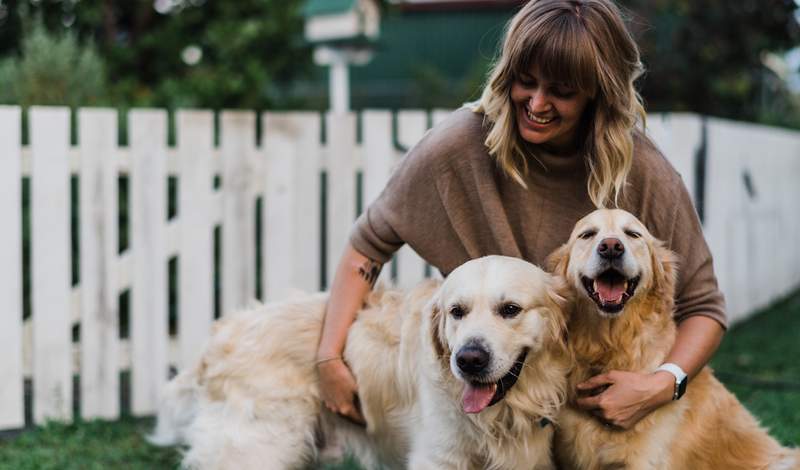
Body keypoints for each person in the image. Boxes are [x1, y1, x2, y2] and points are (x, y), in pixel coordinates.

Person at [315, 0, 727, 430]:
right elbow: (367, 247)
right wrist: (329, 357)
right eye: (525, 82)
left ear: (598, 93)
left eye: (562, 91)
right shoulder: (456, 147)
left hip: (587, 410)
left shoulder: (643, 171)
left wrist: (662, 384)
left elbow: (704, 307)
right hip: (492, 399)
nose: (537, 103)